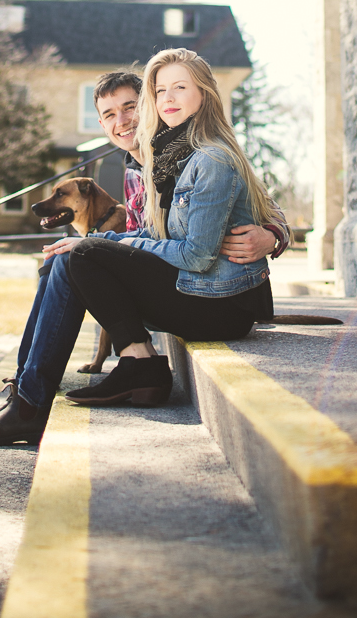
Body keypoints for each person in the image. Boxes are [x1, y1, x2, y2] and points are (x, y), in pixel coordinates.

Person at [0, 65, 288, 446]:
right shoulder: (137, 167)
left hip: (213, 285)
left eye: (130, 107)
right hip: (182, 275)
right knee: (60, 260)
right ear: (101, 124)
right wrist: (104, 244)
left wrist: (272, 235)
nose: (123, 121)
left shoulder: (191, 148)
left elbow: (262, 206)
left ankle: (35, 399)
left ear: (147, 106)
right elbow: (147, 236)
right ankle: (25, 387)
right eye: (110, 115)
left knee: (77, 256)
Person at [46, 48, 282, 408]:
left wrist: (275, 234)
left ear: (203, 94)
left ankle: (125, 368)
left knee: (86, 254)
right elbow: (158, 235)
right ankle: (110, 367)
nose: (168, 99)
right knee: (78, 254)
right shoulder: (171, 154)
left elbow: (198, 253)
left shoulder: (211, 157)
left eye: (180, 88)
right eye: (160, 91)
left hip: (220, 302)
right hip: (200, 287)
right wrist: (108, 242)